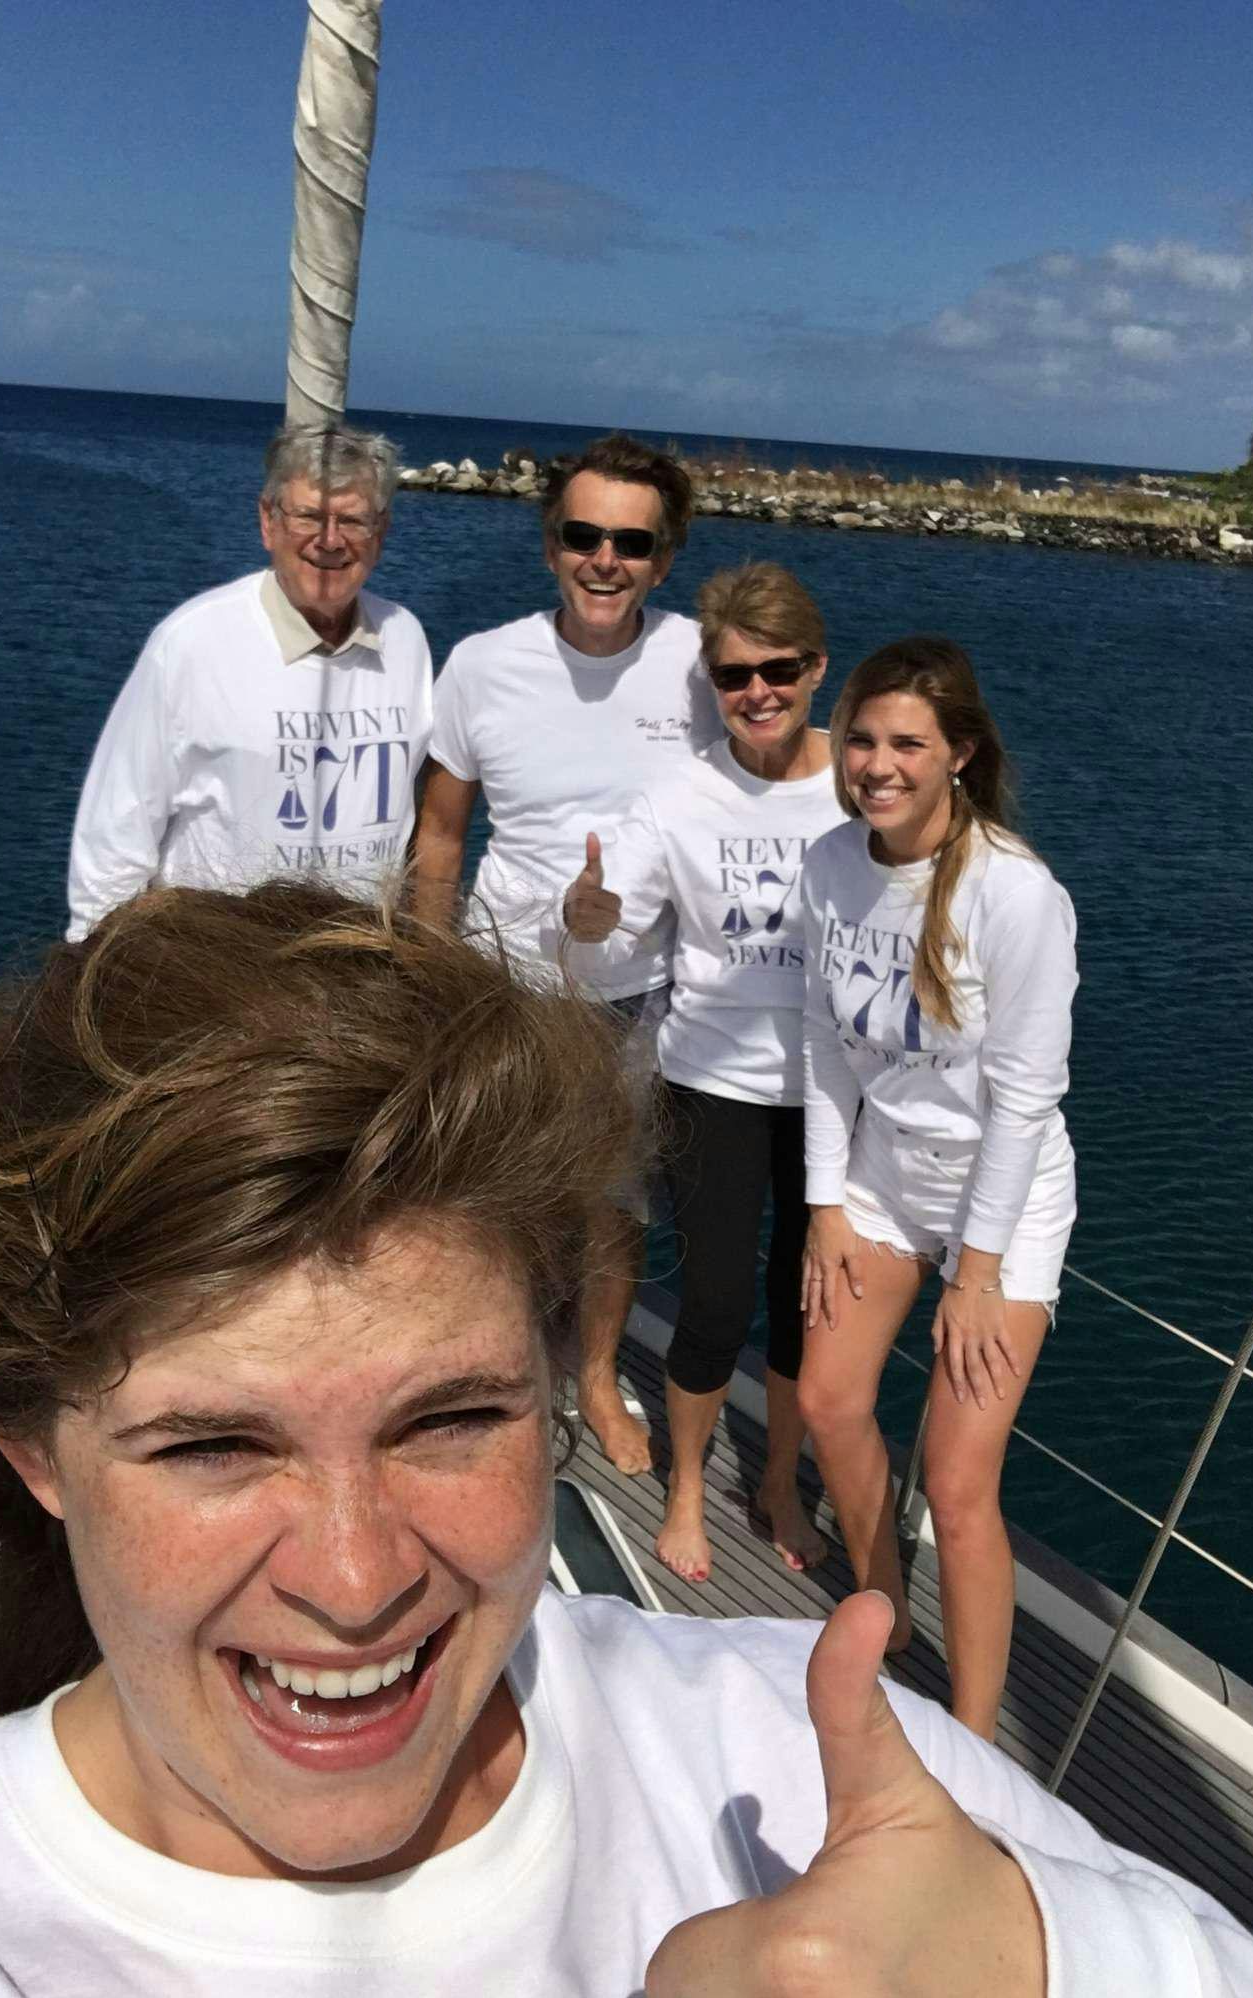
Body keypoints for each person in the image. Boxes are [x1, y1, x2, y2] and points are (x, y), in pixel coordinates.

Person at [0, 879, 1253, 1998]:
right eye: (217, 1445)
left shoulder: (791, 1769)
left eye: (449, 1420)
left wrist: (1058, 1991)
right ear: (31, 1446)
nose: (355, 1580)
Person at [413, 432, 720, 1479]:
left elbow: (773, 783)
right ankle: (486, 1372)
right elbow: (443, 835)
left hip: (639, 992)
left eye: (631, 543)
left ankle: (591, 1374)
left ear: (663, 559)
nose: (605, 560)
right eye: (583, 535)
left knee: (613, 1202)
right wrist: (424, 975)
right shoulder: (482, 667)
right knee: (484, 1192)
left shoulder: (695, 665)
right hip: (500, 983)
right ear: (550, 544)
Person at [798, 636, 1078, 1741]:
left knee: (959, 1489)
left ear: (957, 753)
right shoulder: (828, 865)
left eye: (906, 742)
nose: (877, 762)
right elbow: (821, 1040)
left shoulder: (1016, 897)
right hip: (880, 1180)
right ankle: (884, 1608)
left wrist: (978, 1272)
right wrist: (825, 1204)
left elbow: (1022, 1099)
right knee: (827, 1401)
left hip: (998, 1213)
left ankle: (971, 1737)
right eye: (861, 738)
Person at [557, 563, 841, 1586]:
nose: (757, 693)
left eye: (777, 669)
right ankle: (686, 1486)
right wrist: (587, 915)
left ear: (816, 666)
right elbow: (609, 915)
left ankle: (775, 1482)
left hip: (835, 1104)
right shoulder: (679, 795)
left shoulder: (860, 789)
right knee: (716, 1301)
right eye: (733, 677)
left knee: (810, 1306)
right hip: (712, 1085)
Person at [65, 423, 433, 940]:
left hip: (359, 973)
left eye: (352, 520)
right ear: (268, 522)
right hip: (219, 974)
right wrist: (92, 969)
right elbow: (116, 833)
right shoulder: (193, 642)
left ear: (381, 533)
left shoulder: (405, 641)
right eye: (308, 516)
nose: (329, 540)